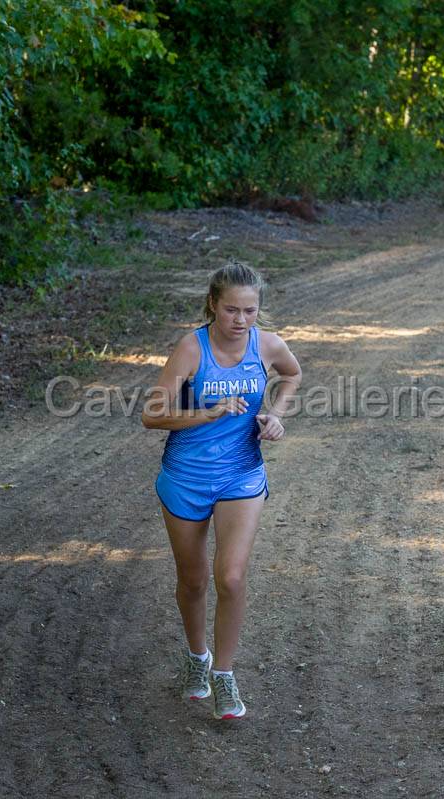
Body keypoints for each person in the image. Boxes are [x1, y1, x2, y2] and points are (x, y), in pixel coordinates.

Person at [141, 260, 301, 720]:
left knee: (230, 576)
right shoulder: (192, 348)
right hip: (185, 477)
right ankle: (198, 659)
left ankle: (225, 676)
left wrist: (276, 414)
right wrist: (207, 412)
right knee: (193, 582)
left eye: (250, 311)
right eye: (232, 310)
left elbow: (292, 374)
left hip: (241, 474)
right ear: (213, 304)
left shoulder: (267, 345)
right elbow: (152, 415)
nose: (241, 320)